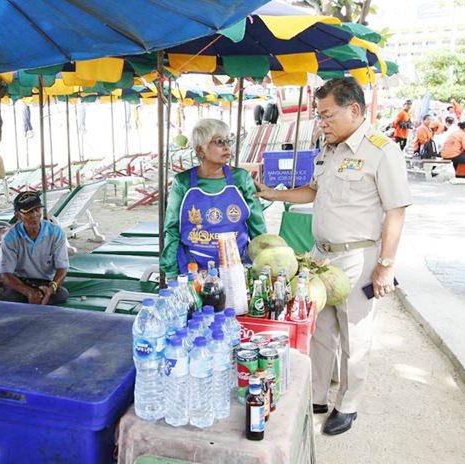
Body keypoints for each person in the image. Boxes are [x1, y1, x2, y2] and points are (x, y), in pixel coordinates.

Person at [255, 77, 411, 436]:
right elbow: (312, 191)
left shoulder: (381, 151)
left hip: (358, 259)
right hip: (320, 257)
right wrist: (272, 194)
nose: (321, 123)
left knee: (354, 336)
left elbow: (396, 212)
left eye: (327, 115)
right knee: (320, 329)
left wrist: (385, 266)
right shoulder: (329, 148)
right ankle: (318, 396)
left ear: (354, 110)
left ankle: (348, 404)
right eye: (318, 116)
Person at [161, 118, 267, 278]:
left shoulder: (241, 179)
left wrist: (264, 262)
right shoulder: (182, 183)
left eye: (227, 141)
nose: (226, 146)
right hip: (193, 270)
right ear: (200, 150)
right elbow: (172, 229)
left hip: (237, 269)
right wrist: (170, 272)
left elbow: (257, 227)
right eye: (218, 142)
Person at [0, 192, 69, 305]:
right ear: (18, 216)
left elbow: (62, 268)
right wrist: (29, 292)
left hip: (46, 282)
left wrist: (50, 289)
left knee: (62, 295)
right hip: (21, 282)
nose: (35, 215)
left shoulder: (56, 232)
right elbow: (6, 274)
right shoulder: (10, 238)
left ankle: (42, 297)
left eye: (37, 210)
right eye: (28, 212)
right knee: (12, 297)